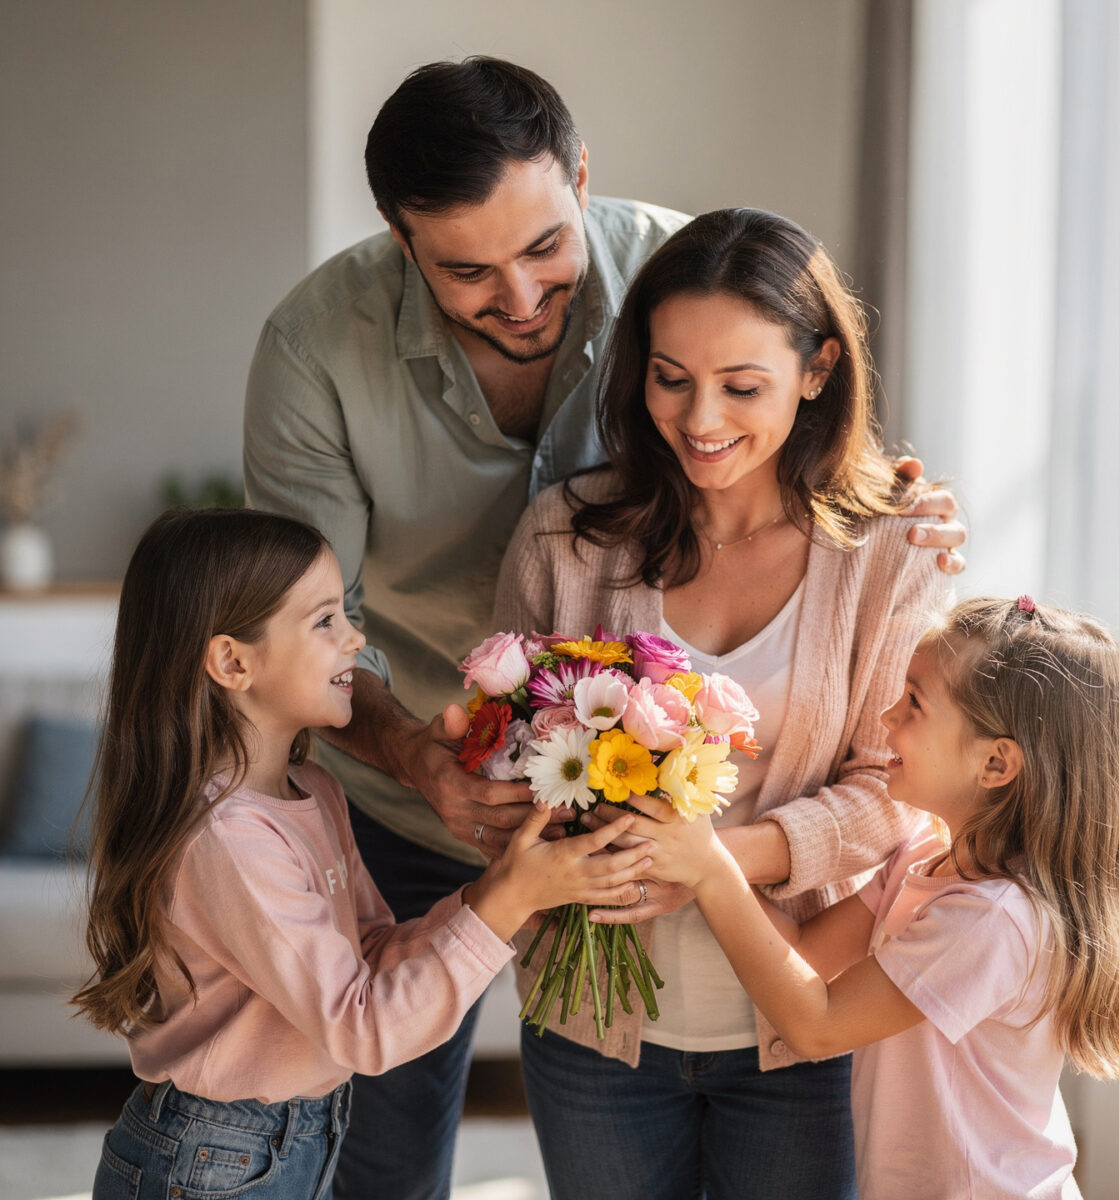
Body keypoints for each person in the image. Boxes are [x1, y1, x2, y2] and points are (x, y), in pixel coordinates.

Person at [243, 57, 966, 1199]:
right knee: (379, 1142)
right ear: (398, 238)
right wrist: (430, 756)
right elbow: (295, 625)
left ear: (582, 180)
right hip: (401, 775)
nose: (522, 299)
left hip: (770, 984)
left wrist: (890, 497)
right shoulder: (318, 357)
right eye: (469, 272)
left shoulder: (681, 273)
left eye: (545, 250)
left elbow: (787, 367)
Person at [493, 207, 953, 1199]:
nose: (700, 421)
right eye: (671, 379)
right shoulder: (564, 539)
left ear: (819, 369)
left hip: (807, 1028)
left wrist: (712, 866)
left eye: (743, 386)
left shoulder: (889, 555)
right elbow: (508, 760)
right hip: (593, 1035)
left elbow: (903, 788)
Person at [71, 508, 651, 1200]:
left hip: (287, 1141)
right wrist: (505, 903)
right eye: (324, 622)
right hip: (210, 1162)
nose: (356, 638)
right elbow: (362, 1027)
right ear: (232, 661)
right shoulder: (227, 839)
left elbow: (368, 952)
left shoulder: (312, 790)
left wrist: (501, 898)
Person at [630, 595, 1119, 1199]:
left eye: (913, 703)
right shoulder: (925, 856)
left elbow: (817, 1025)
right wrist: (697, 841)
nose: (886, 717)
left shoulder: (990, 919)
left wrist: (710, 867)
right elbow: (806, 952)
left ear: (996, 763)